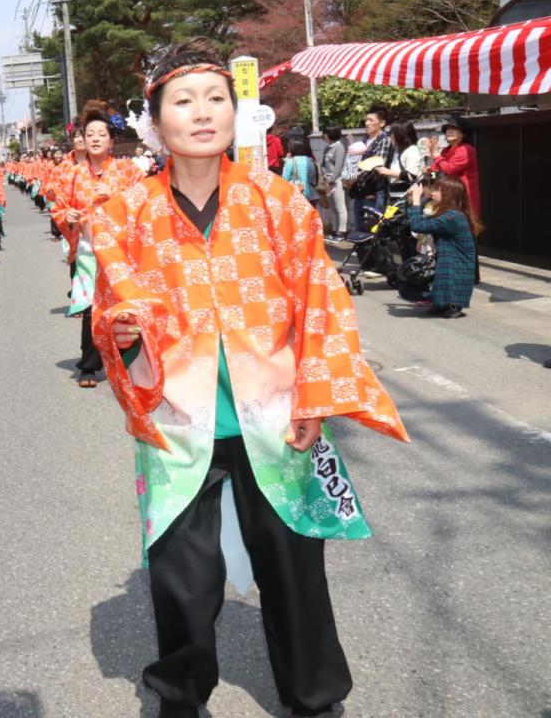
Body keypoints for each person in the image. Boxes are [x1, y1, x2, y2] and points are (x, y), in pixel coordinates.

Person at [90, 38, 408, 718]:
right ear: (155, 122)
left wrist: (316, 397)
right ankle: (178, 693)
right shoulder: (123, 214)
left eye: (215, 98)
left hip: (274, 411)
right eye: (183, 101)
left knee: (294, 566)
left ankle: (315, 696)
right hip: (177, 416)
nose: (202, 112)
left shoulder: (279, 202)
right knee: (182, 576)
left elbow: (321, 300)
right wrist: (116, 335)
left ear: (236, 113)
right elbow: (111, 311)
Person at [53, 102, 142, 388]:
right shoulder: (73, 173)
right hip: (89, 249)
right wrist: (67, 216)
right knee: (92, 307)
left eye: (101, 134)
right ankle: (89, 365)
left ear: (112, 139)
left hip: (122, 252)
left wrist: (117, 193)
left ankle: (130, 363)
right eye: (89, 133)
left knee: (125, 307)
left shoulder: (128, 171)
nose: (94, 139)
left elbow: (146, 203)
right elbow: (59, 207)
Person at [407, 175, 480, 318]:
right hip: (451, 258)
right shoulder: (449, 213)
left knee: (450, 278)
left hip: (457, 262)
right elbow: (422, 221)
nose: (432, 193)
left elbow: (418, 225)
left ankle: (453, 304)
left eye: (438, 190)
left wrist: (416, 200)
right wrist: (418, 201)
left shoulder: (452, 216)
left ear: (449, 194)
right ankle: (442, 303)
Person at [351, 105, 395, 232]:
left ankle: (375, 252)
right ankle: (362, 251)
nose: (367, 123)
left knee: (373, 228)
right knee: (359, 228)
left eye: (371, 120)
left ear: (382, 123)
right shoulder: (365, 140)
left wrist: (355, 177)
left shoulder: (385, 140)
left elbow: (377, 165)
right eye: (366, 120)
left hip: (375, 190)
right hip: (360, 189)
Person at [426, 115, 480, 217]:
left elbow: (450, 169)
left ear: (463, 134)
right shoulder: (446, 150)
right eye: (447, 129)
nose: (449, 131)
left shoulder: (466, 149)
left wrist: (436, 155)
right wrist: (430, 169)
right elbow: (438, 165)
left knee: (464, 223)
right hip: (451, 192)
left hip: (464, 195)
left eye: (454, 129)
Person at [320, 126, 347, 239]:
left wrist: (331, 180)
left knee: (340, 207)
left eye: (325, 133)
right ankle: (335, 230)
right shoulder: (327, 148)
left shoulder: (339, 147)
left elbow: (338, 167)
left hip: (336, 182)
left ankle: (342, 232)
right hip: (328, 182)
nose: (323, 135)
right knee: (333, 208)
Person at [281, 140, 319, 208]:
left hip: (297, 194)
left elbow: (284, 179)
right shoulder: (311, 161)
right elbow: (315, 178)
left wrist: (286, 161)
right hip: (312, 195)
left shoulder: (290, 162)